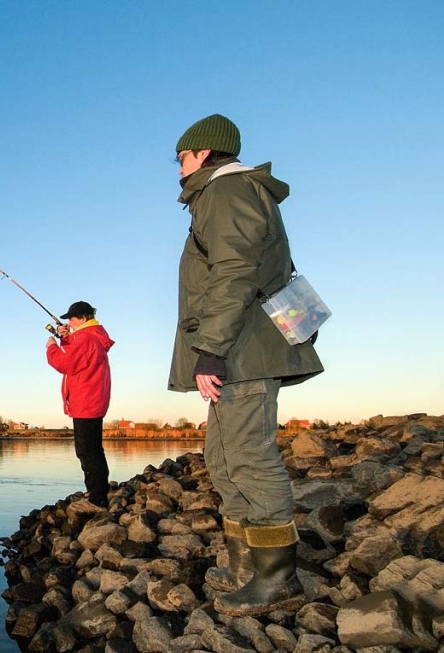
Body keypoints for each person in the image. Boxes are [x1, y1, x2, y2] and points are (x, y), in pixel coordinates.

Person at [169, 114, 323, 617]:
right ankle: (244, 566)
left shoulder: (226, 192)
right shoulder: (223, 194)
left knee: (249, 459)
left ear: (205, 154)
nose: (178, 168)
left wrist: (209, 350)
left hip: (241, 351)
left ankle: (277, 580)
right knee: (222, 458)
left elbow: (234, 272)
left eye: (183, 157)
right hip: (234, 350)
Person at [46, 301, 115, 510]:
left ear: (83, 317)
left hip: (87, 399)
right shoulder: (91, 336)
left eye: (72, 318)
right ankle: (97, 490)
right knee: (92, 449)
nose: (69, 322)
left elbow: (65, 363)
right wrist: (66, 338)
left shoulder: (86, 338)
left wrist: (52, 347)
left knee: (87, 451)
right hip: (92, 398)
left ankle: (97, 499)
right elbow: (78, 358)